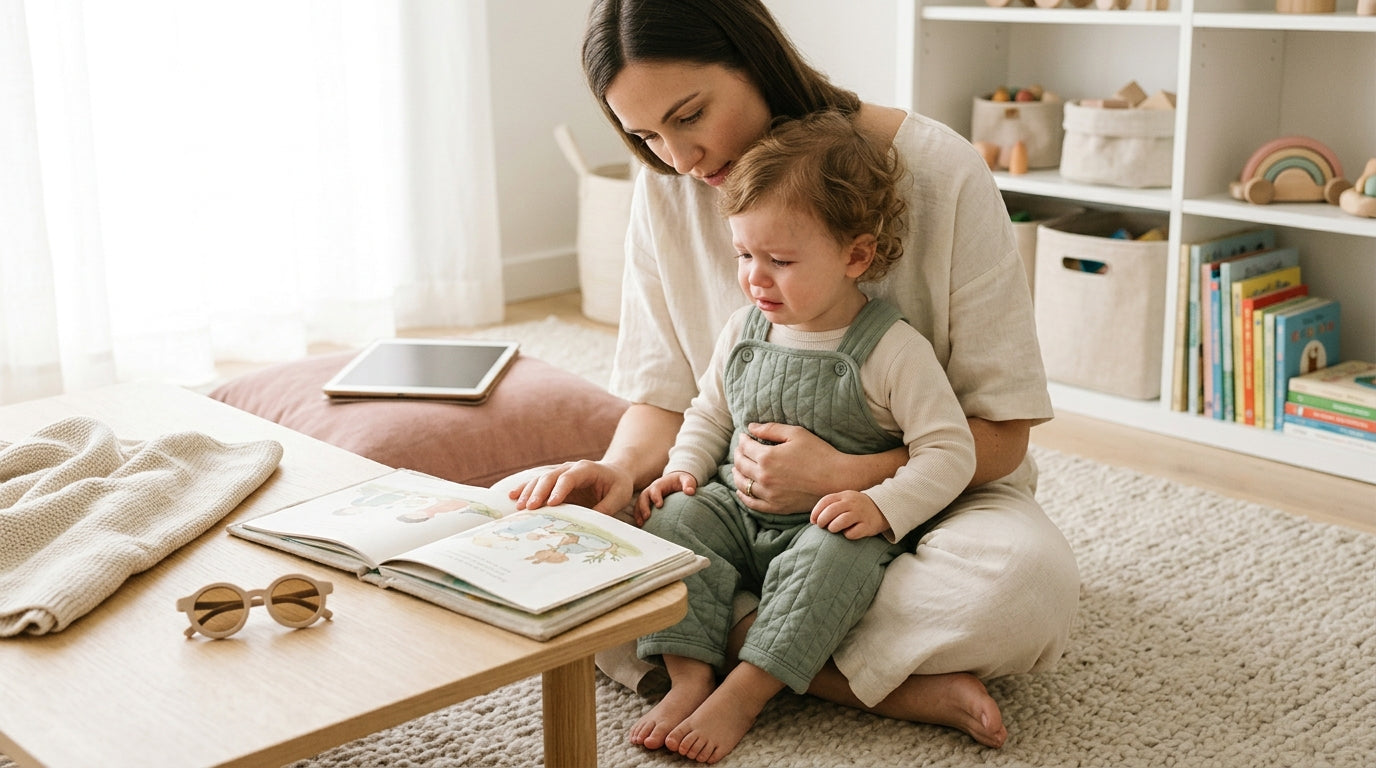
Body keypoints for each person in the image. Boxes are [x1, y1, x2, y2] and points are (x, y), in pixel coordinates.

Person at [513, 0, 1080, 750]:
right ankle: (857, 676)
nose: (680, 158)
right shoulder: (668, 184)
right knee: (555, 555)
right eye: (645, 135)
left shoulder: (938, 169)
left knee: (1023, 589)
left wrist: (852, 474)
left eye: (690, 116)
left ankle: (731, 635)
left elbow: (1003, 437)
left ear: (757, 59)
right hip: (735, 505)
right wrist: (620, 473)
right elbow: (668, 396)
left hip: (930, 499)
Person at [630, 110, 976, 763]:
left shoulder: (890, 350)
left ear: (856, 255)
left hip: (828, 525)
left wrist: (881, 506)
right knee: (672, 523)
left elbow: (950, 450)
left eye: (780, 260)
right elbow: (709, 413)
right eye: (743, 255)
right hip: (736, 507)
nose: (756, 278)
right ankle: (689, 676)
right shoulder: (742, 332)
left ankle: (748, 691)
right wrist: (683, 469)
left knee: (835, 560)